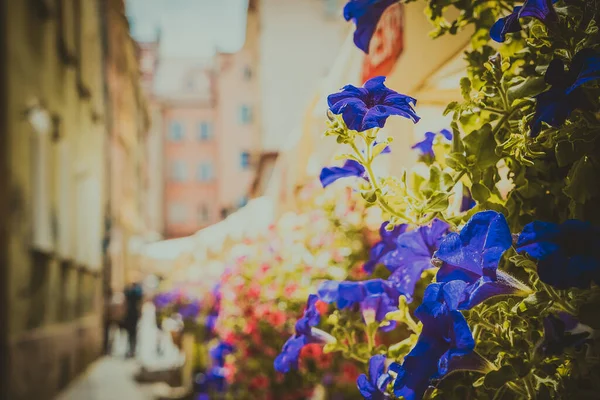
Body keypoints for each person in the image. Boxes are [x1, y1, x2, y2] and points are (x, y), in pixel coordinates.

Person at [123, 281, 143, 358]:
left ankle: (131, 349)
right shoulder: (137, 292)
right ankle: (132, 349)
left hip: (130, 314)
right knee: (133, 333)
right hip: (133, 314)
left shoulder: (129, 292)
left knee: (130, 333)